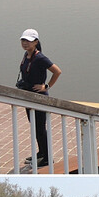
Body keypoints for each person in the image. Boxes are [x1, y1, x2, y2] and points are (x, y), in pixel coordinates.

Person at [17, 28, 61, 167]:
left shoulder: (40, 58)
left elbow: (57, 71)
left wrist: (46, 86)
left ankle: (47, 158)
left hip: (39, 98)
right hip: (28, 96)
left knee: (40, 128)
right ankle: (41, 153)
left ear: (36, 42)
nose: (25, 43)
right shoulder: (26, 55)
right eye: (23, 40)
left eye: (28, 41)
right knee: (35, 127)